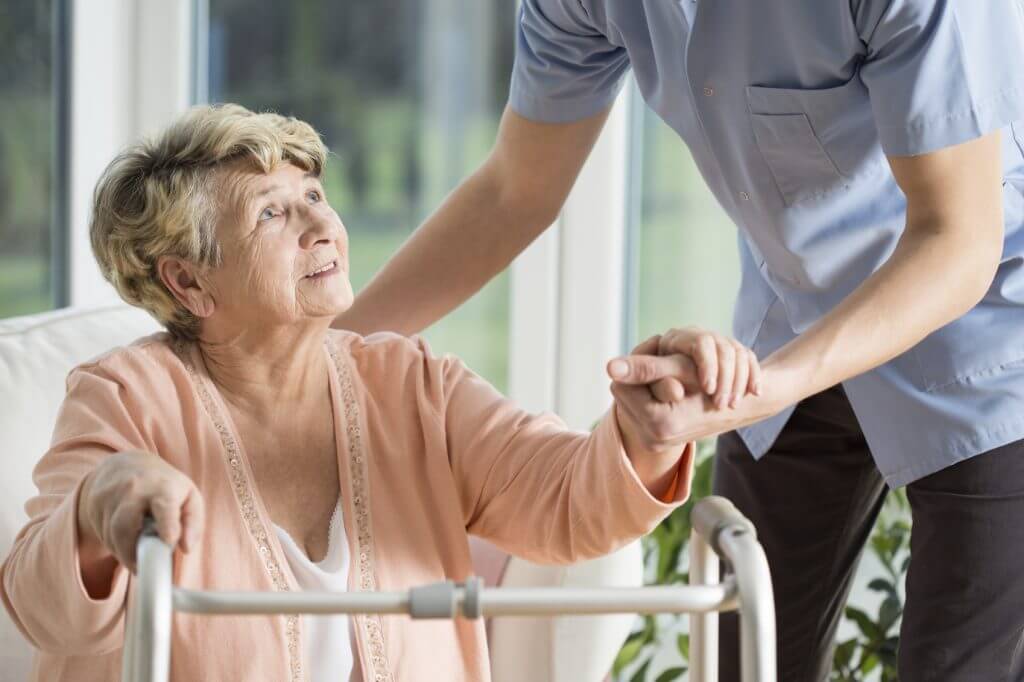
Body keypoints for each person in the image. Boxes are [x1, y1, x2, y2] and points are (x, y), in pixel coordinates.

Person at [333, 1, 1024, 680]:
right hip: (793, 316)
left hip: (989, 339)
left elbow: (956, 239)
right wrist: (318, 354)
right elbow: (516, 189)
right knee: (742, 651)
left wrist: (758, 391)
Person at [0, 104, 764, 681]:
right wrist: (99, 505)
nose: (322, 225)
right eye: (272, 211)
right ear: (189, 280)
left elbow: (564, 497)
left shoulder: (410, 382)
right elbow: (41, 607)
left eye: (314, 195)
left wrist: (648, 432)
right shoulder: (124, 397)